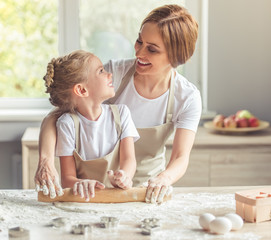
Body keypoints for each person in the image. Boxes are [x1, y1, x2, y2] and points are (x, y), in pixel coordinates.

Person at [35, 4, 202, 204]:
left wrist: (164, 179)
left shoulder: (187, 97)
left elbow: (180, 158)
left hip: (147, 191)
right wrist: (46, 160)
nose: (139, 53)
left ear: (176, 57)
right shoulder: (116, 74)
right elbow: (56, 115)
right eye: (139, 41)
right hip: (105, 189)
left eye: (152, 49)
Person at [36, 50, 139, 201]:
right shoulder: (67, 124)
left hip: (119, 198)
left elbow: (129, 160)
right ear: (81, 90)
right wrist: (80, 183)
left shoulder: (122, 114)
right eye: (101, 71)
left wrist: (125, 176)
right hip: (85, 201)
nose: (109, 74)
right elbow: (67, 178)